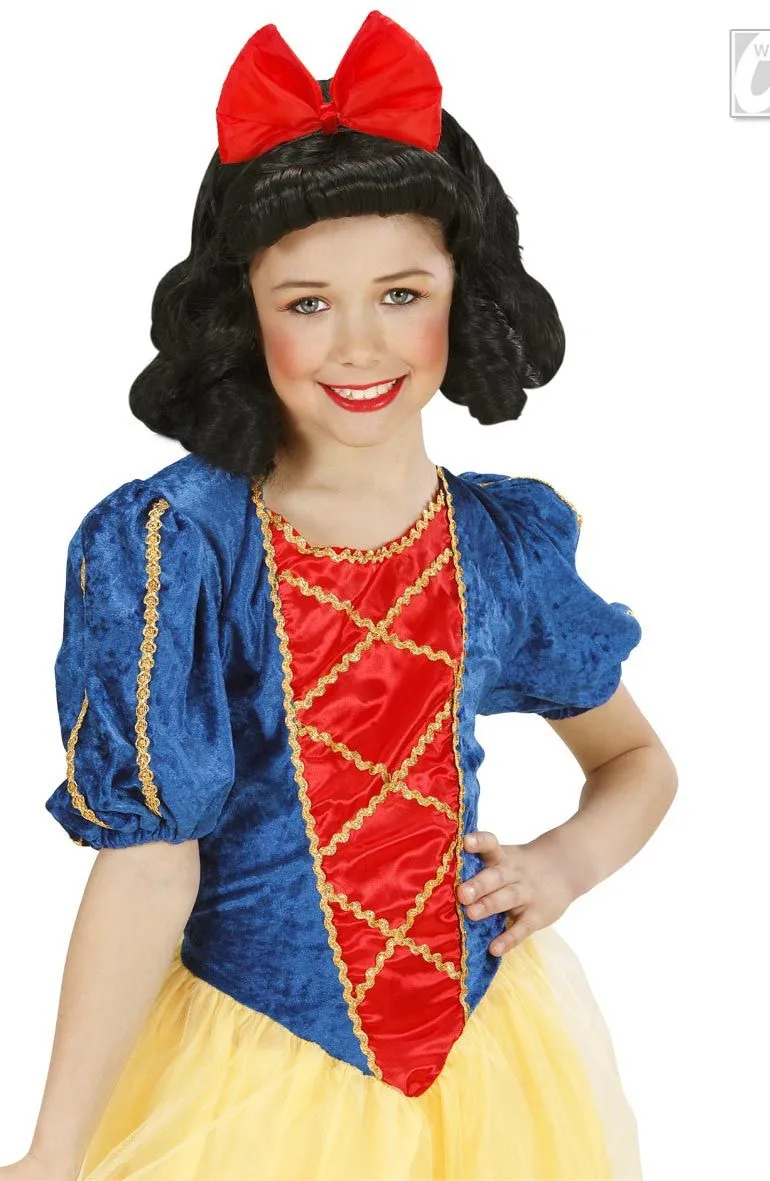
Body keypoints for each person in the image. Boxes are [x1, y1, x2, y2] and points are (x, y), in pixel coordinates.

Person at [2, 11, 677, 1180]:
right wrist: (53, 1152)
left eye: (401, 292)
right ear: (242, 312)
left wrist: (563, 863)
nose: (359, 345)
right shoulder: (184, 546)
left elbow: (635, 759)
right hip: (251, 1067)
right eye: (306, 302)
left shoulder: (496, 544)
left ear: (464, 294)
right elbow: (151, 863)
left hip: (481, 1054)